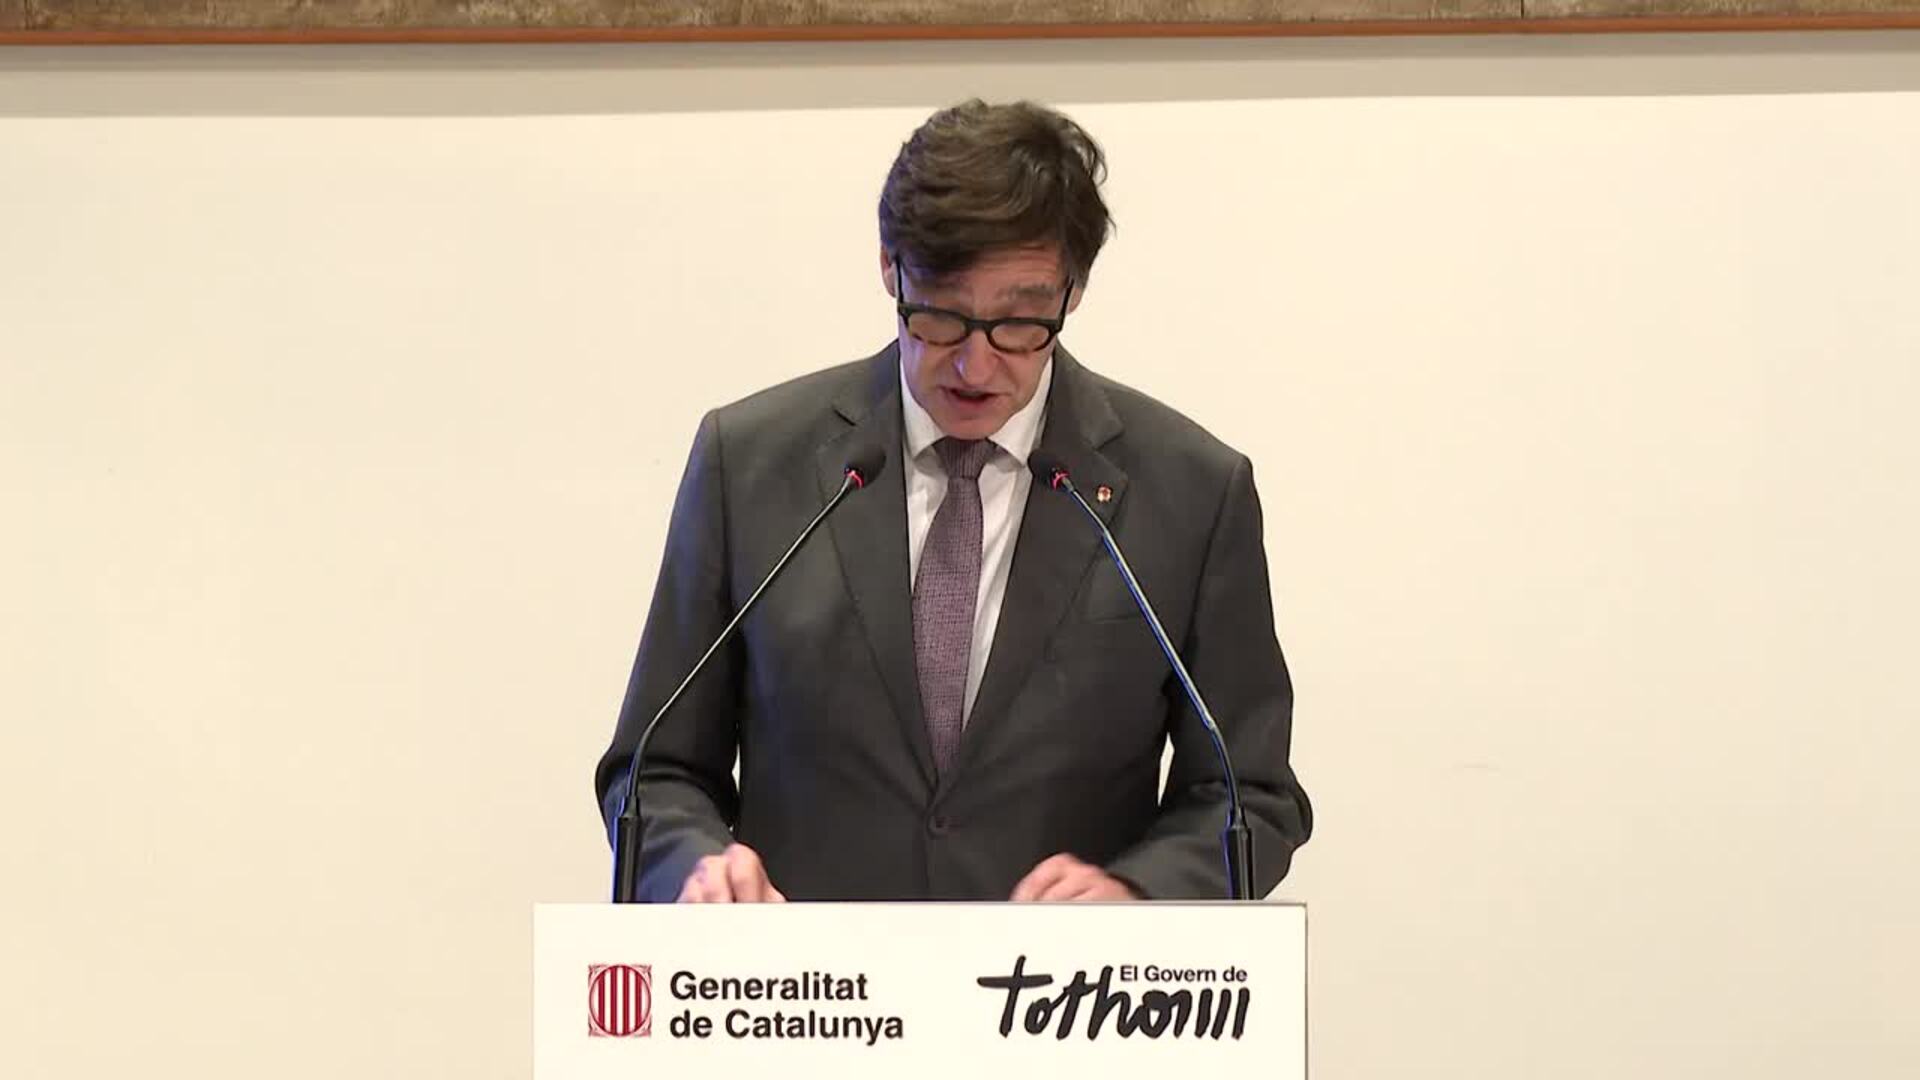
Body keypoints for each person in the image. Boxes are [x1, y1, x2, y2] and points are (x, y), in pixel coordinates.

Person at [593, 99, 1310, 903]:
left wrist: (1137, 897)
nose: (975, 365)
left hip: (1060, 981)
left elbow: (1250, 797)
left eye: (1019, 322)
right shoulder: (751, 462)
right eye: (939, 315)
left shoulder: (1191, 490)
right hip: (807, 978)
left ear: (1072, 292)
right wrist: (697, 869)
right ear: (889, 269)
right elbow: (653, 771)